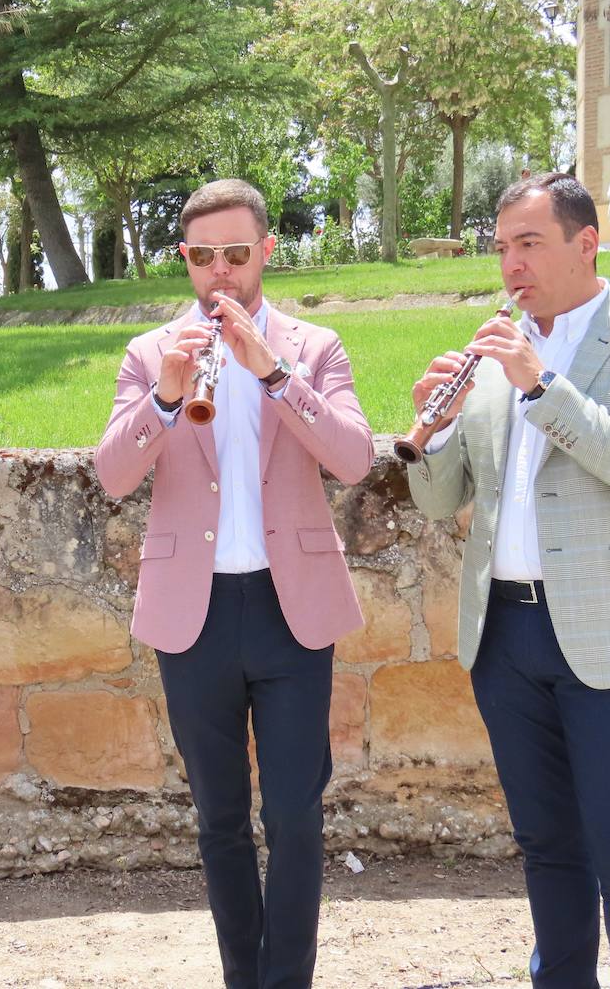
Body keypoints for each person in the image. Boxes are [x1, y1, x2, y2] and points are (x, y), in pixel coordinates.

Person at [404, 173, 610, 989]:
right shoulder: (493, 349)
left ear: (587, 242)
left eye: (529, 243)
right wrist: (430, 428)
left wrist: (541, 384)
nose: (511, 263)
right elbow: (443, 502)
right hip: (504, 636)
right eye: (502, 246)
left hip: (608, 634)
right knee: (546, 844)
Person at [94, 178, 373, 989]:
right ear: (185, 259)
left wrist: (276, 373)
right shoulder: (150, 353)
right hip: (194, 613)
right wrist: (166, 398)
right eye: (203, 256)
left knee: (293, 811)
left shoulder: (315, 346)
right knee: (220, 819)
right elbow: (113, 473)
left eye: (237, 254)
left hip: (291, 610)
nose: (221, 272)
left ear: (267, 253)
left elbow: (354, 459)